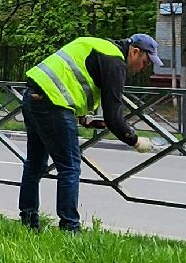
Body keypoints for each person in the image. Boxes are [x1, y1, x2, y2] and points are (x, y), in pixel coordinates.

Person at [19, 33, 161, 231]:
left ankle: (28, 221)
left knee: (34, 164)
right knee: (70, 167)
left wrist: (83, 119)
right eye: (145, 62)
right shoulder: (115, 62)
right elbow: (114, 117)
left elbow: (70, 80)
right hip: (54, 105)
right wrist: (135, 141)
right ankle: (70, 228)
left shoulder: (100, 46)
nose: (144, 68)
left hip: (32, 96)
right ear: (135, 52)